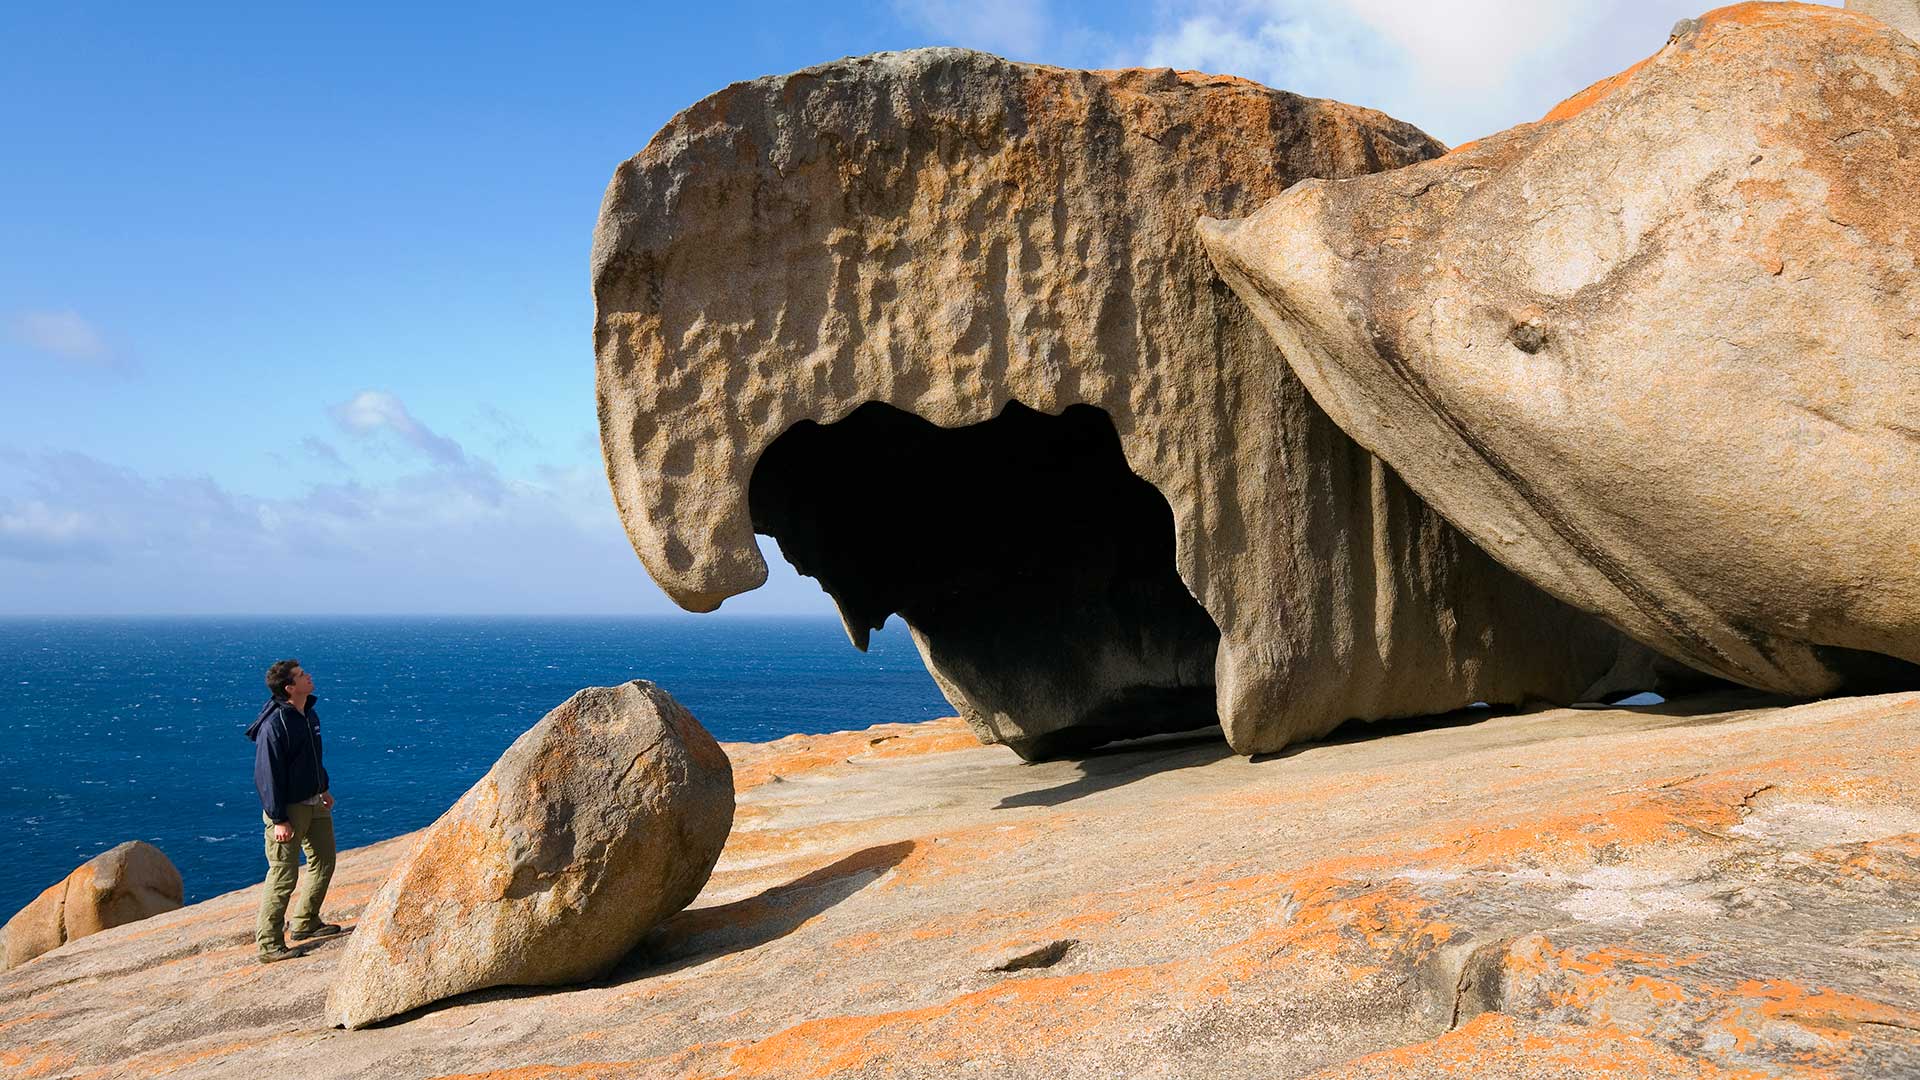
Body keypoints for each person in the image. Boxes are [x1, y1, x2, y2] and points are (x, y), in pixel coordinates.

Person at [245, 658, 342, 963]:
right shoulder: (276, 724)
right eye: (302, 675)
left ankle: (305, 922)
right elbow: (266, 775)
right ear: (290, 687)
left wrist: (323, 788)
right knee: (283, 876)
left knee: (324, 861)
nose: (308, 676)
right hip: (288, 810)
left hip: (314, 802)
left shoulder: (308, 714)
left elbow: (314, 757)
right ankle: (270, 944)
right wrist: (278, 819)